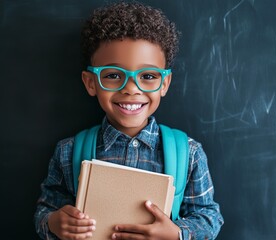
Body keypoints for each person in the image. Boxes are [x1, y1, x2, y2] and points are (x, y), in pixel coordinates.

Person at [34, 2, 224, 239]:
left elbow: (208, 216)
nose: (131, 89)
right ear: (91, 82)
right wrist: (54, 222)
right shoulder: (68, 151)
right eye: (113, 76)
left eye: (148, 76)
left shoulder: (190, 153)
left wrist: (178, 234)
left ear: (164, 83)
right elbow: (45, 210)